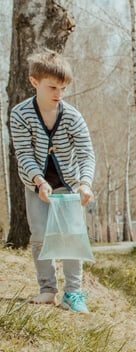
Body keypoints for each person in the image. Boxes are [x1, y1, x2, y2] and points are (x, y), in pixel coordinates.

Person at [10, 49, 96, 313]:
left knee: (72, 235)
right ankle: (47, 289)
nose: (59, 93)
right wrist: (38, 182)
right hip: (36, 185)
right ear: (35, 82)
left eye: (64, 88)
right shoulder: (20, 114)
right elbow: (23, 154)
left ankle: (74, 293)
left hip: (68, 185)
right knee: (39, 235)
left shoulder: (72, 116)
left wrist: (85, 183)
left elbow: (85, 152)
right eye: (53, 87)